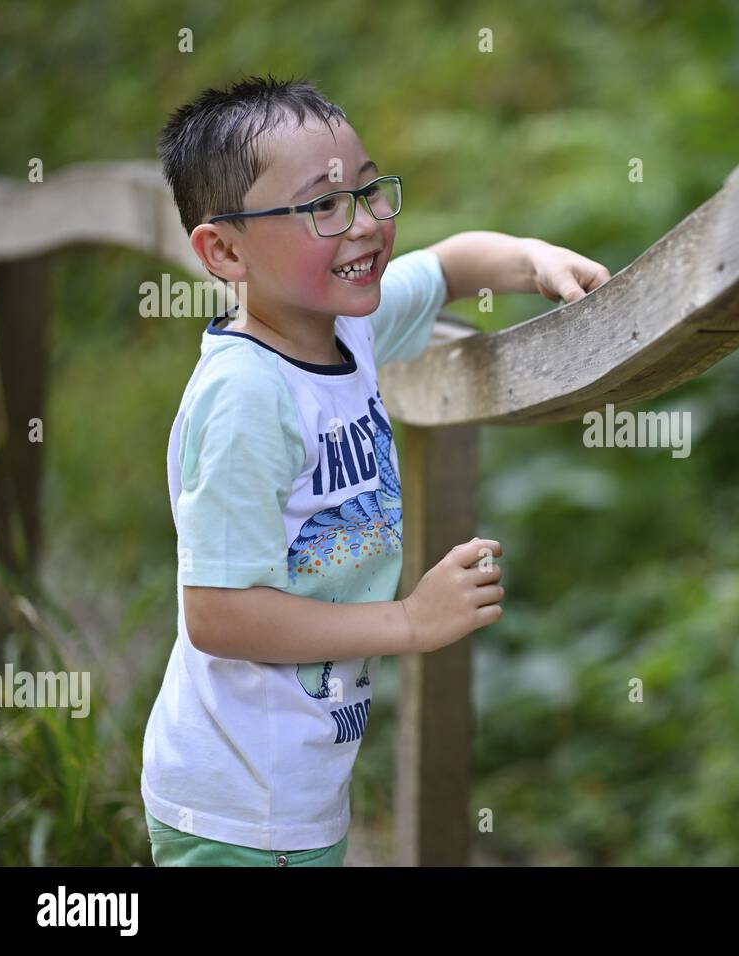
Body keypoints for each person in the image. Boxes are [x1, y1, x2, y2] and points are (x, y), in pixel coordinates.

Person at [140, 75, 611, 866]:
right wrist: (408, 623)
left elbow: (452, 264)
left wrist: (533, 261)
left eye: (368, 191)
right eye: (322, 206)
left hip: (293, 792)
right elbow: (217, 613)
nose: (362, 225)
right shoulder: (247, 396)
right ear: (223, 250)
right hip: (236, 810)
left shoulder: (344, 331)